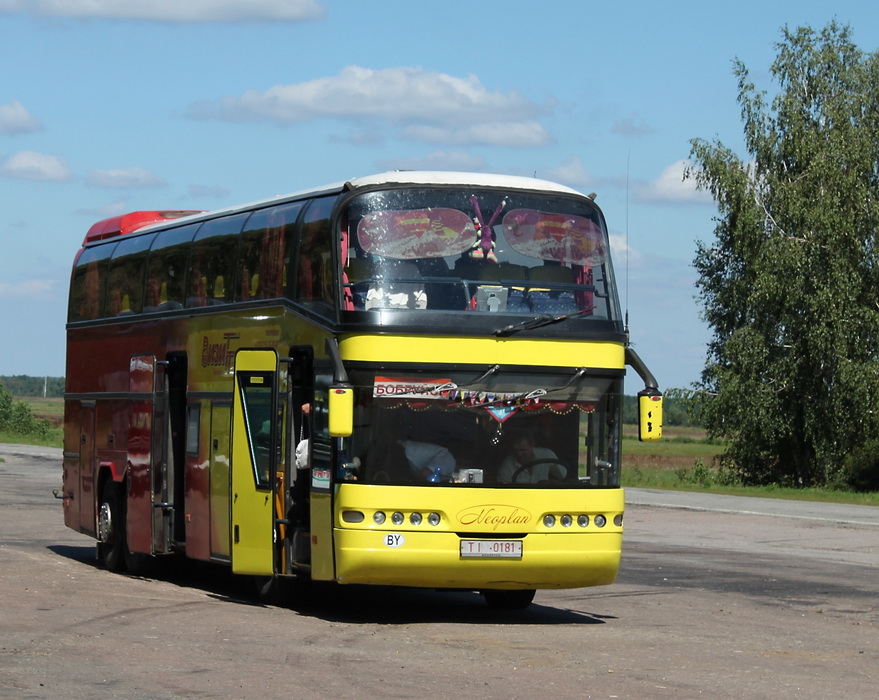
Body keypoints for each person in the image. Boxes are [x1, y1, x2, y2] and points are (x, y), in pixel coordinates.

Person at [497, 431, 564, 483]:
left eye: (523, 450)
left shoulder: (547, 455)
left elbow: (564, 476)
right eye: (516, 450)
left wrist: (553, 483)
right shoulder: (506, 466)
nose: (519, 454)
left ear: (532, 445)